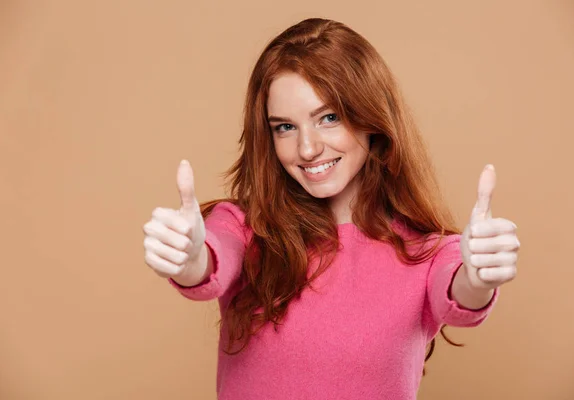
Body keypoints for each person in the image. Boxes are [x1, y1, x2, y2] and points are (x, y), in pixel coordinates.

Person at [142, 18, 520, 400]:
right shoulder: (244, 227)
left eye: (329, 118)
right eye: (284, 127)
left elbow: (460, 293)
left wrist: (479, 275)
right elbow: (211, 260)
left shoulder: (428, 253)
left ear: (372, 117)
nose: (307, 149)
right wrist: (189, 260)